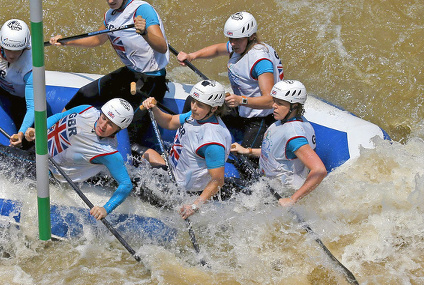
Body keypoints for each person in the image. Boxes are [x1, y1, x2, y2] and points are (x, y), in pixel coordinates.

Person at [49, 0, 169, 139]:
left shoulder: (142, 10)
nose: (111, 0)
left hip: (153, 79)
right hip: (130, 74)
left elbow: (162, 46)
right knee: (83, 94)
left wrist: (144, 32)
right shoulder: (110, 16)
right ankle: (51, 134)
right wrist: (66, 41)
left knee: (128, 126)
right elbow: (97, 39)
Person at [0, 98, 136, 220]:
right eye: (104, 118)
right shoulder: (87, 110)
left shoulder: (108, 152)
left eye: (111, 125)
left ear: (119, 129)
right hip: (37, 149)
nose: (103, 125)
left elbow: (126, 185)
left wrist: (106, 209)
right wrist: (37, 130)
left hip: (46, 170)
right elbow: (59, 117)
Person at [175, 11, 284, 152]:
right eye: (230, 39)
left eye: (237, 39)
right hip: (241, 108)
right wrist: (192, 56)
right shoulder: (239, 45)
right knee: (193, 100)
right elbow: (216, 49)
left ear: (251, 36)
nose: (232, 43)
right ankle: (184, 144)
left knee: (246, 163)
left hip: (260, 118)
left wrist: (241, 100)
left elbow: (271, 100)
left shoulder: (260, 61)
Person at [140, 80, 232, 219]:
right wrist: (154, 108)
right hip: (172, 172)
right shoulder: (196, 115)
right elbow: (169, 121)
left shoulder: (212, 142)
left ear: (214, 108)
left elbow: (218, 180)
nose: (193, 107)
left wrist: (194, 206)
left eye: (199, 105)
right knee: (146, 154)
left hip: (183, 192)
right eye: (193, 101)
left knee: (136, 183)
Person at [230, 80, 327, 206]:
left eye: (280, 103)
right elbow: (276, 153)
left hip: (281, 191)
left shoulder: (294, 134)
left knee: (227, 186)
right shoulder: (284, 122)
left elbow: (319, 170)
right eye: (274, 101)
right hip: (267, 183)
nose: (274, 106)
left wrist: (292, 199)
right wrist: (247, 151)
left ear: (295, 106)